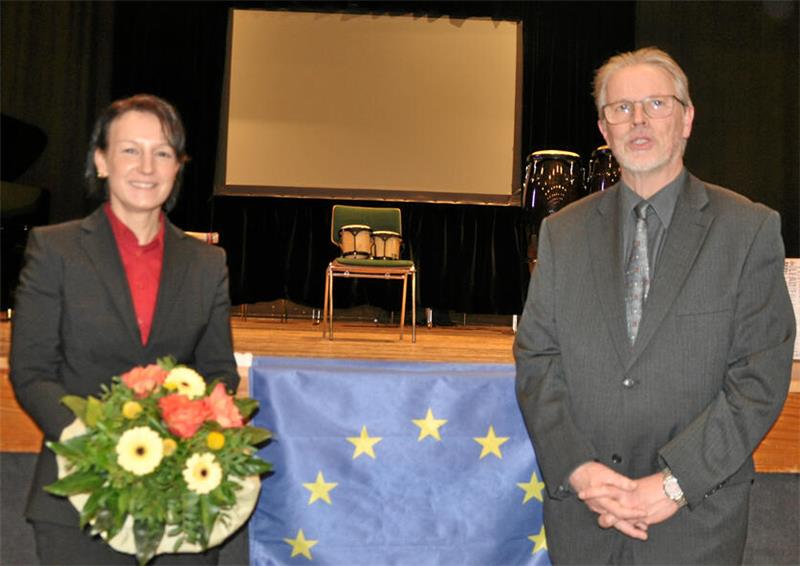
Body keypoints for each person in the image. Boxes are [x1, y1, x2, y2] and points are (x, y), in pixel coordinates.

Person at [514, 47, 795, 564]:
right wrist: (578, 469)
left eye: (657, 104)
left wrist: (672, 485)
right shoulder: (563, 234)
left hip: (696, 519)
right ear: (604, 128)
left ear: (687, 118)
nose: (638, 119)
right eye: (621, 108)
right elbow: (537, 361)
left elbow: (758, 378)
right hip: (586, 517)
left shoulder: (748, 230)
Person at [10, 94, 239, 565]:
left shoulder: (207, 263)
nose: (146, 167)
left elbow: (219, 373)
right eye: (130, 150)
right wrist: (100, 445)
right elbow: (32, 372)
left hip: (180, 504)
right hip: (78, 499)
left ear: (178, 166)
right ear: (101, 161)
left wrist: (183, 439)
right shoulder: (54, 250)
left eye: (162, 153)